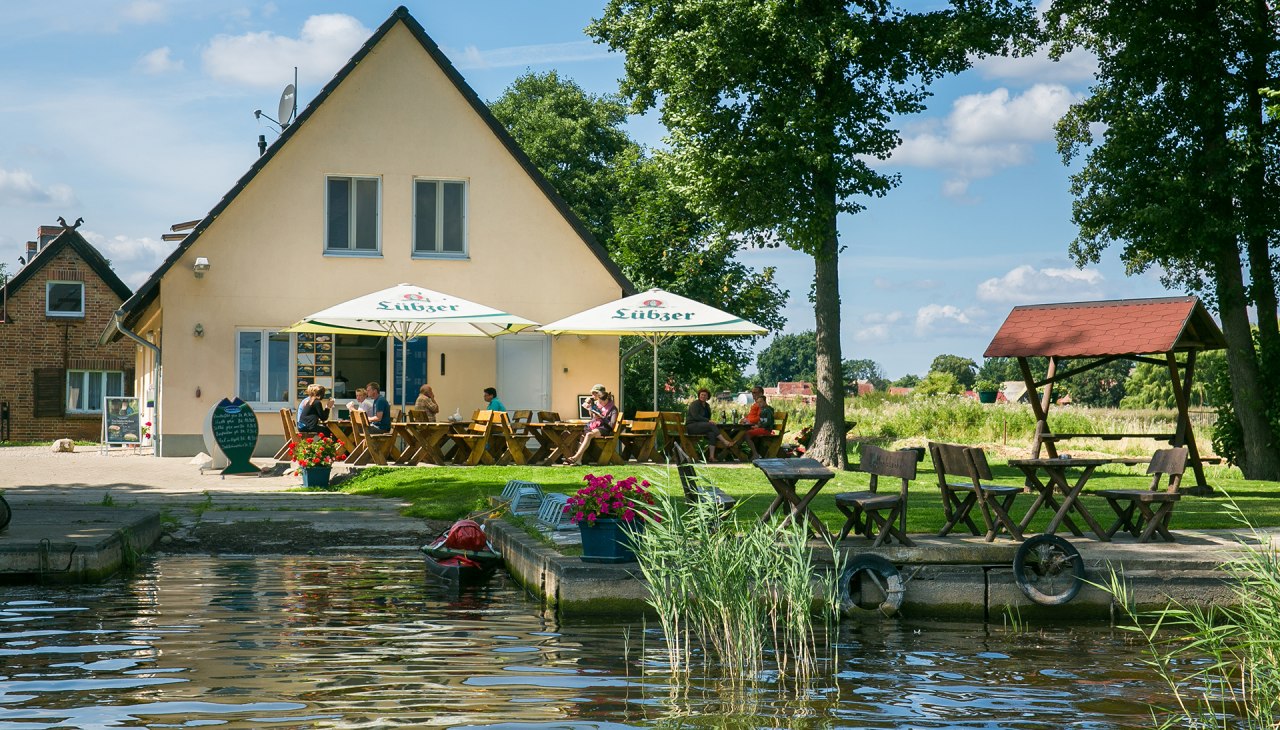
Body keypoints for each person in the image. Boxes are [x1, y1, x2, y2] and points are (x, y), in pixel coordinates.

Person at [565, 384, 617, 465]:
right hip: (596, 425)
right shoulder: (596, 403)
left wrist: (602, 417)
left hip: (604, 428)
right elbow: (592, 417)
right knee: (582, 435)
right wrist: (591, 409)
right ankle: (578, 461)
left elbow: (612, 424)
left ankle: (576, 457)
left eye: (594, 393)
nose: (593, 396)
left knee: (589, 434)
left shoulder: (612, 408)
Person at [685, 387, 732, 461]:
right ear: (699, 395)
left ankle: (711, 457)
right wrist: (708, 421)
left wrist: (708, 421)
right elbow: (696, 416)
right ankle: (725, 441)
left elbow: (707, 418)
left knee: (712, 434)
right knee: (711, 425)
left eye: (705, 395)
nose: (703, 396)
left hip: (701, 427)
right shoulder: (695, 404)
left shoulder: (707, 406)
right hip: (692, 426)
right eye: (701, 394)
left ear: (707, 397)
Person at [740, 387, 776, 459]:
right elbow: (761, 420)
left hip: (766, 430)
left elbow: (765, 422)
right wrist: (745, 419)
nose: (753, 394)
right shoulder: (762, 409)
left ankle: (754, 454)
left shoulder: (766, 410)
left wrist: (756, 425)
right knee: (740, 432)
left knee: (745, 434)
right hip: (762, 428)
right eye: (752, 392)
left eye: (755, 392)